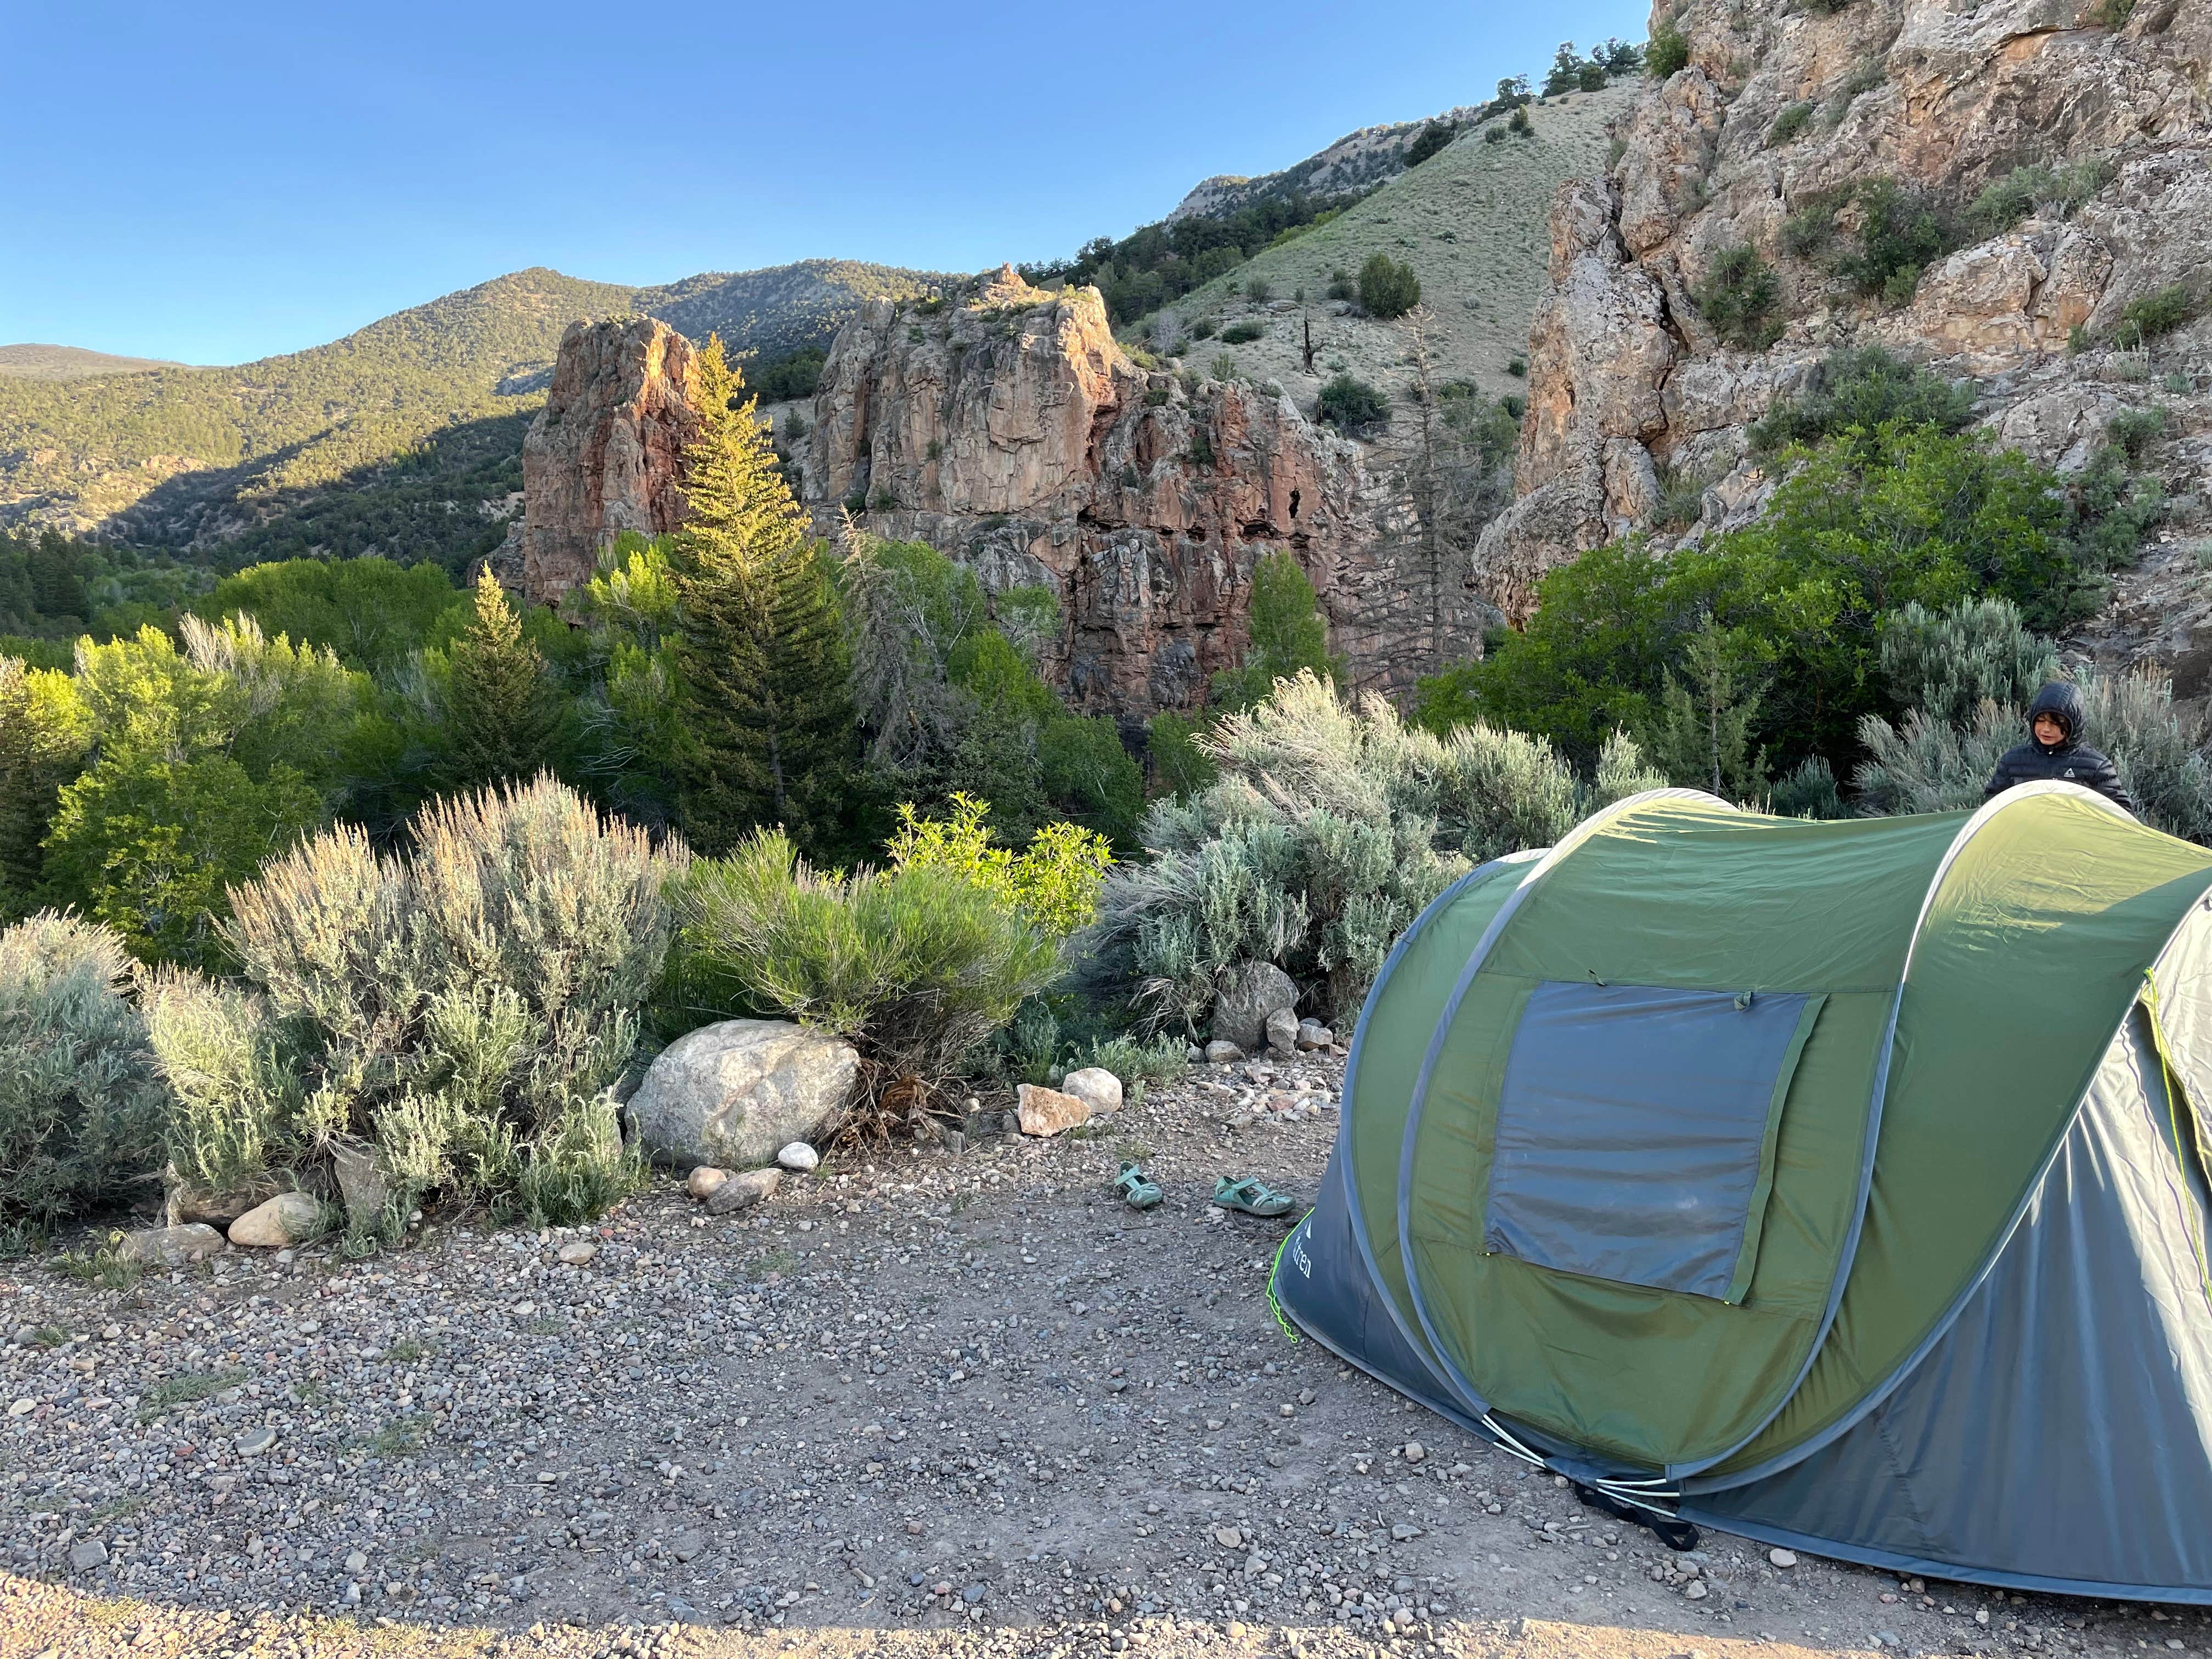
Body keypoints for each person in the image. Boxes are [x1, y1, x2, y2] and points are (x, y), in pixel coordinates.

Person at [1984, 681, 2134, 811]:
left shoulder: (2097, 767)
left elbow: (2122, 815)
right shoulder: (2012, 762)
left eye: (2056, 723)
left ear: (2074, 724)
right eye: (2041, 720)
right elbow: (1992, 807)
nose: (2046, 729)